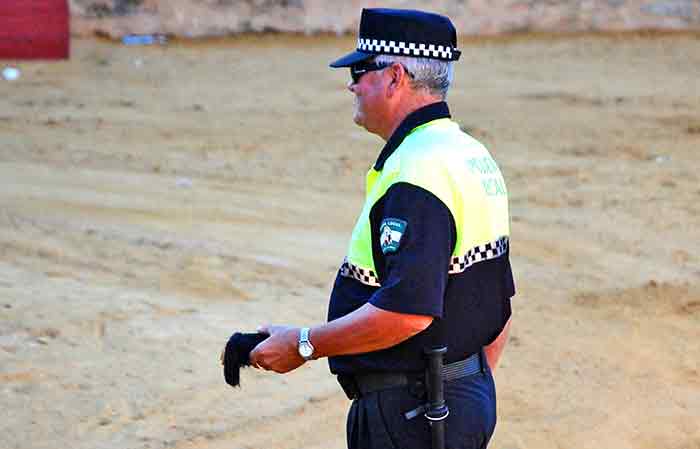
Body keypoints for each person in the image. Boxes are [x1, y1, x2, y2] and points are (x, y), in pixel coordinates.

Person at [231, 8, 515, 449]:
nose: (351, 83)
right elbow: (496, 300)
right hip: (455, 399)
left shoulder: (418, 171)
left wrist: (302, 345)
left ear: (395, 76)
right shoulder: (468, 154)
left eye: (361, 70)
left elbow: (407, 312)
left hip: (413, 415)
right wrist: (469, 388)